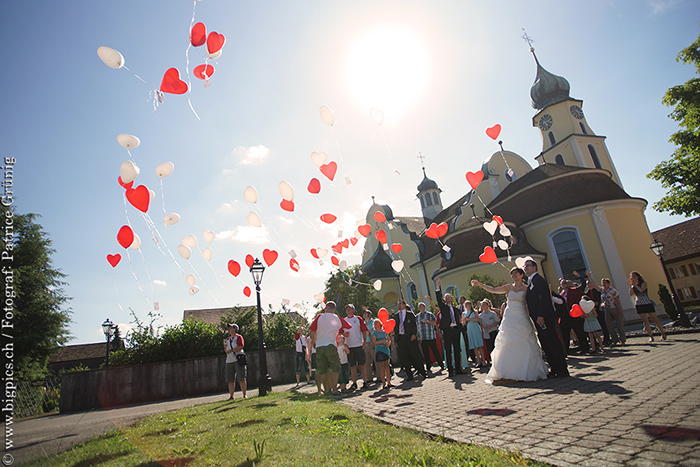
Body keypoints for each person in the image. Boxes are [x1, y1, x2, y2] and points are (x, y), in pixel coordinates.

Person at [471, 268, 548, 383]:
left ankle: (525, 370)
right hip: (509, 317)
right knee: (507, 341)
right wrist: (480, 284)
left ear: (522, 275)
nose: (514, 275)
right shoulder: (509, 287)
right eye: (512, 274)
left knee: (523, 341)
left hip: (521, 316)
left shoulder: (527, 289)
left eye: (516, 273)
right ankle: (507, 371)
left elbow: (534, 301)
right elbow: (493, 290)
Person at [523, 260, 569, 378]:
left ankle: (562, 368)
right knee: (546, 343)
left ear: (535, 267)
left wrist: (541, 315)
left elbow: (543, 299)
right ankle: (554, 367)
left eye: (527, 266)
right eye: (524, 266)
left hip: (544, 318)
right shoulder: (530, 281)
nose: (525, 268)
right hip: (537, 319)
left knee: (553, 342)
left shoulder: (539, 280)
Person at [309, 301, 352, 395]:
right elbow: (349, 326)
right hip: (331, 345)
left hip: (320, 346)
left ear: (327, 308)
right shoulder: (337, 318)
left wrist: (313, 341)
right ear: (334, 308)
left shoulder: (319, 317)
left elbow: (312, 330)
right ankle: (335, 390)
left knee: (322, 369)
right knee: (335, 367)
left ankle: (327, 390)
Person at [433, 278, 464, 376]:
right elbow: (438, 299)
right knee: (448, 350)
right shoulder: (444, 308)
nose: (447, 298)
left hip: (455, 330)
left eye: (448, 297)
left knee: (457, 349)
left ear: (451, 299)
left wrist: (460, 327)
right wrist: (438, 287)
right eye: (445, 297)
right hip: (447, 331)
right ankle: (450, 370)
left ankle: (458, 369)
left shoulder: (456, 309)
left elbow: (460, 318)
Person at [392, 299, 428, 381]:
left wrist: (413, 334)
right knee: (404, 357)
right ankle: (409, 375)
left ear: (404, 305)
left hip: (409, 337)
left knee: (415, 355)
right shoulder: (396, 316)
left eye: (400, 303)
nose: (399, 305)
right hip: (401, 338)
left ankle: (422, 372)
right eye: (398, 304)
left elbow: (414, 325)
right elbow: (395, 327)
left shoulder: (410, 314)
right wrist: (395, 340)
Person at [628, 271, 667, 342]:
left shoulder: (643, 283)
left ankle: (663, 333)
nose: (632, 277)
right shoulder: (633, 286)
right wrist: (631, 286)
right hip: (639, 303)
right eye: (631, 276)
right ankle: (651, 336)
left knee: (655, 318)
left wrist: (635, 285)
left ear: (637, 276)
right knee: (645, 321)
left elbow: (642, 290)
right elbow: (631, 294)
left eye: (634, 276)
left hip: (647, 302)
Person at [588, 276, 626, 346]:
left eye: (604, 283)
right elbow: (594, 285)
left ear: (608, 283)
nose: (603, 284)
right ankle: (614, 339)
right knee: (609, 325)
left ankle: (622, 339)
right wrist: (589, 276)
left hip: (614, 308)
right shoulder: (602, 290)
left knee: (619, 324)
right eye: (602, 283)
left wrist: (620, 308)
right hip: (606, 309)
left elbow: (617, 299)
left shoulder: (613, 291)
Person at [559, 277, 589, 354]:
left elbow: (582, 293)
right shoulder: (561, 294)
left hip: (574, 315)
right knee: (565, 333)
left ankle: (585, 348)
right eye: (562, 283)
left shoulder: (573, 290)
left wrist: (582, 310)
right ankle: (566, 350)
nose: (563, 284)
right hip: (565, 316)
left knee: (579, 332)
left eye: (565, 283)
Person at [343, 304, 370, 391]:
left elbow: (364, 330)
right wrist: (344, 335)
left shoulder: (358, 319)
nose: (348, 310)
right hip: (349, 346)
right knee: (352, 366)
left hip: (358, 345)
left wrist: (364, 342)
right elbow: (339, 332)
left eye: (350, 309)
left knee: (362, 364)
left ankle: (365, 381)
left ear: (353, 310)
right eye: (347, 309)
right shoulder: (344, 320)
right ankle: (354, 383)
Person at [416, 301, 444, 373]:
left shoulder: (430, 315)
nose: (420, 308)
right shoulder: (417, 317)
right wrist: (419, 337)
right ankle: (428, 366)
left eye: (421, 306)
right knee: (426, 353)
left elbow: (435, 323)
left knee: (435, 351)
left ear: (424, 307)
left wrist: (427, 321)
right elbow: (417, 328)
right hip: (423, 337)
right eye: (419, 306)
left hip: (430, 336)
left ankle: (441, 364)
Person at [223, 323, 247, 400]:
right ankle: (231, 396)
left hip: (238, 359)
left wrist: (232, 350)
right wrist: (225, 348)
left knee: (241, 378)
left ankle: (244, 394)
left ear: (235, 329)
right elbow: (226, 351)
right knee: (230, 379)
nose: (229, 329)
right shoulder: (228, 339)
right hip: (229, 360)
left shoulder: (239, 337)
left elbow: (241, 346)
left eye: (230, 328)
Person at [461, 300, 487, 368]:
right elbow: (463, 323)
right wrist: (464, 320)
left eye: (468, 304)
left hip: (476, 327)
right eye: (465, 304)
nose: (466, 306)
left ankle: (483, 361)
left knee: (479, 345)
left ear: (470, 305)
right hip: (469, 329)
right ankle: (478, 361)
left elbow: (477, 319)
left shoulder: (474, 311)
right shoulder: (463, 313)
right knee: (474, 346)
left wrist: (469, 319)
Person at [371, 319, 393, 389]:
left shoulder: (384, 332)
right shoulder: (374, 333)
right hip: (379, 350)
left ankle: (389, 382)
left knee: (387, 366)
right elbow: (374, 342)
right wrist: (382, 341)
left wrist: (388, 344)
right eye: (375, 323)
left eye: (377, 322)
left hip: (385, 350)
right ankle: (383, 382)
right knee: (381, 367)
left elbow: (389, 339)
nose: (376, 324)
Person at [362, 308, 377, 384]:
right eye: (363, 313)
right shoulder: (363, 323)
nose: (364, 314)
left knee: (376, 360)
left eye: (366, 313)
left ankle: (380, 377)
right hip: (366, 342)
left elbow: (375, 330)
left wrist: (370, 332)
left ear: (370, 315)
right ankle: (369, 377)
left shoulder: (373, 322)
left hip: (372, 342)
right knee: (367, 362)